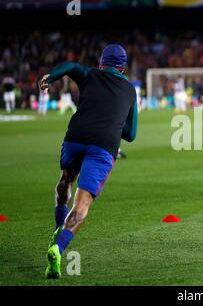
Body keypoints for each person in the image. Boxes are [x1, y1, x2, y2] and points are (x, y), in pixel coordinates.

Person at [40, 44, 138, 279]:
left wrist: (50, 77)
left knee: (65, 180)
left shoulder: (90, 74)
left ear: (101, 62)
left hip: (76, 136)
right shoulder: (130, 90)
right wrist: (112, 121)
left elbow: (72, 66)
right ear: (123, 68)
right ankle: (58, 247)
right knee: (82, 204)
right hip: (103, 145)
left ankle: (57, 227)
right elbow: (131, 134)